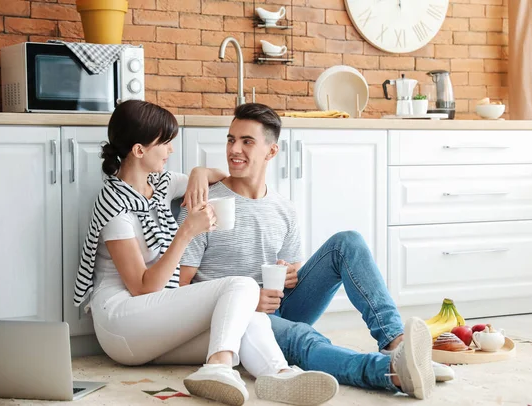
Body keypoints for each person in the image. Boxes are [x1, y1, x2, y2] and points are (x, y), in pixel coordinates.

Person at [178, 103, 455, 400]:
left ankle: (396, 343)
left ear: (271, 151)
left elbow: (295, 275)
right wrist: (246, 300)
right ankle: (391, 372)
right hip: (237, 317)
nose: (234, 149)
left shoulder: (284, 209)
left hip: (281, 307)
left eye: (247, 141)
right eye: (231, 139)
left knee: (348, 241)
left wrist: (286, 274)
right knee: (302, 338)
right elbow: (182, 290)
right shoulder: (204, 204)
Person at [72, 100, 339, 406]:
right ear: (139, 151)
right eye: (165, 143)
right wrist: (187, 232)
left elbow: (219, 179)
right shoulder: (114, 206)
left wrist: (199, 171)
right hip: (122, 320)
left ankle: (278, 376)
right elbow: (143, 287)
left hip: (154, 321)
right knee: (243, 285)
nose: (171, 151)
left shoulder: (160, 184)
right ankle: (218, 366)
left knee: (252, 319)